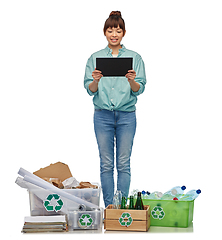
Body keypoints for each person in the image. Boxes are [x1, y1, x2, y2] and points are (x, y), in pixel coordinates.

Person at [84, 11, 146, 207]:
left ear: (124, 33)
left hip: (127, 116)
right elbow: (90, 90)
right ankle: (110, 207)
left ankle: (122, 207)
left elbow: (139, 90)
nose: (114, 34)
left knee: (123, 164)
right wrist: (95, 80)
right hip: (102, 116)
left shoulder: (135, 58)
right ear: (105, 32)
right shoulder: (94, 58)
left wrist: (132, 80)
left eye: (118, 30)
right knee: (106, 164)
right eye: (110, 30)